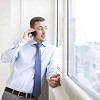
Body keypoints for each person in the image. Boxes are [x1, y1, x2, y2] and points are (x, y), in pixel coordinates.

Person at [1, 16, 60, 100]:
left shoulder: (52, 50)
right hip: (11, 94)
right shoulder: (21, 44)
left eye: (45, 28)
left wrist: (52, 78)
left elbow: (51, 70)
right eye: (40, 29)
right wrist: (23, 41)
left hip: (32, 98)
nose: (44, 32)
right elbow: (4, 59)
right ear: (33, 31)